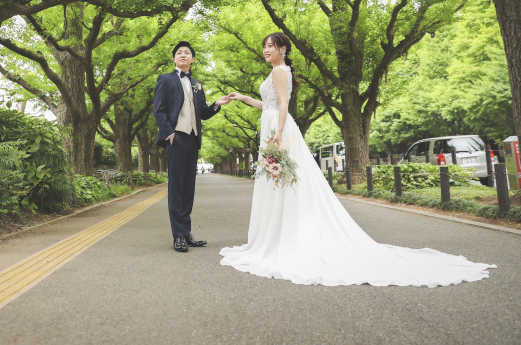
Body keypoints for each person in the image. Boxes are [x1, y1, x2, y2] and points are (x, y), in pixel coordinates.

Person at [219, 32, 495, 286]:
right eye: (265, 46)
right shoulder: (277, 71)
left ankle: (287, 236)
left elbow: (283, 105)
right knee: (280, 181)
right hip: (271, 124)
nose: (266, 50)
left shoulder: (280, 71)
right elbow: (267, 105)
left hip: (278, 129)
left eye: (271, 46)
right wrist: (243, 97)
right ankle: (278, 233)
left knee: (285, 180)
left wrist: (278, 133)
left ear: (283, 49)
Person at [154, 41, 231, 253]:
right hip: (175, 138)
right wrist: (169, 134)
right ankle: (177, 235)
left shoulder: (197, 84)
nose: (183, 55)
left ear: (192, 59)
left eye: (187, 52)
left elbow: (203, 113)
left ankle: (186, 232)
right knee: (176, 188)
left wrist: (217, 104)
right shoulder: (166, 79)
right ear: (174, 58)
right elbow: (159, 110)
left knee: (188, 188)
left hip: (192, 140)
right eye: (179, 53)